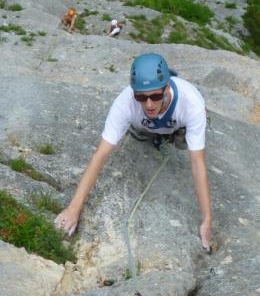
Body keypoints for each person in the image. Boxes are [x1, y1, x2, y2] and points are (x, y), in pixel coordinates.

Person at [54, 53, 212, 251]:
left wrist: (207, 218)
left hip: (177, 122)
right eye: (141, 97)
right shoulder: (125, 102)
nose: (149, 104)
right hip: (145, 126)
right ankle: (154, 131)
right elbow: (100, 155)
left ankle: (174, 133)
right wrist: (73, 209)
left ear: (167, 87)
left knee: (183, 137)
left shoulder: (192, 102)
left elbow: (197, 164)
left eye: (155, 96)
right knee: (143, 128)